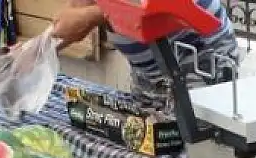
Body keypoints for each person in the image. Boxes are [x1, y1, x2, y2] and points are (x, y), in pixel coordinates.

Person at [51, 0, 242, 111]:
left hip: (200, 58)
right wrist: (39, 49)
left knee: (195, 144)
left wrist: (92, 15)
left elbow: (148, 6)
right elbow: (74, 16)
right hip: (150, 73)